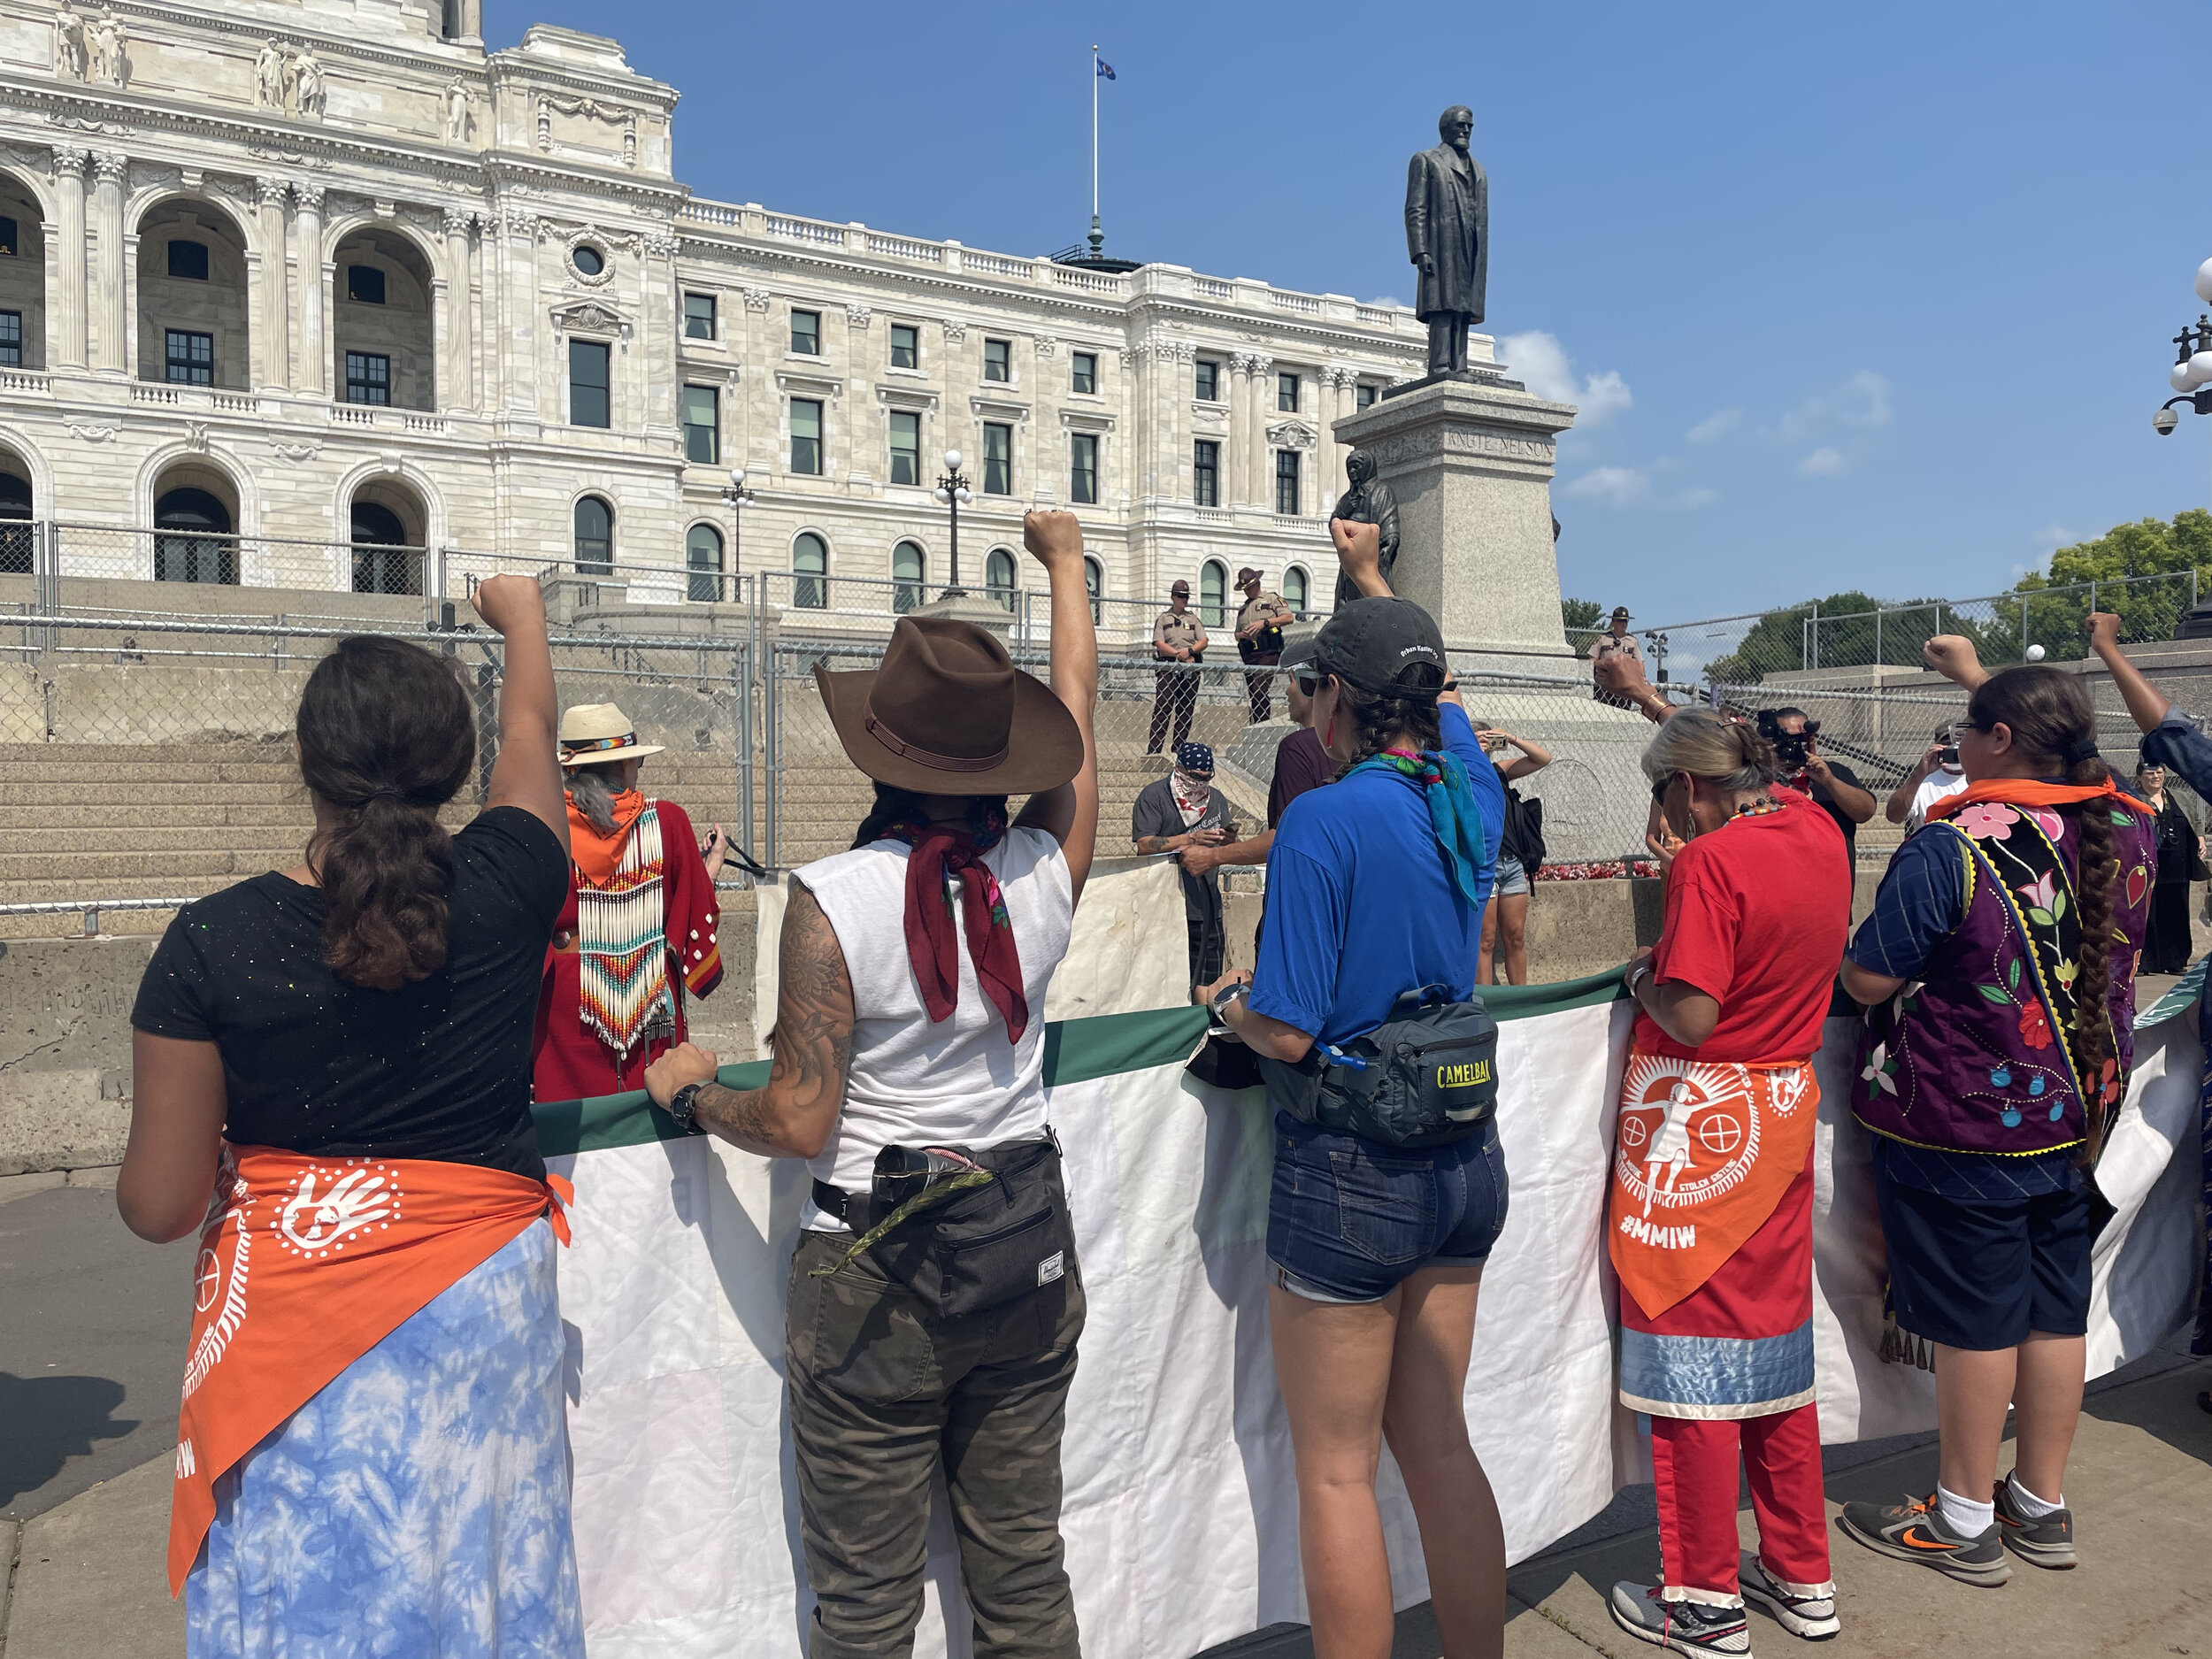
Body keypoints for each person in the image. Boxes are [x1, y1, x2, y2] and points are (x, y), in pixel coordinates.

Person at [641, 511, 1100, 1659]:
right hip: (1025, 1238)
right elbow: (1081, 724)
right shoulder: (1044, 872)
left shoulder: (832, 898)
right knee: (1025, 1573)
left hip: (877, 1271)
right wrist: (1066, 565)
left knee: (863, 1607)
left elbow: (801, 1113)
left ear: (880, 752)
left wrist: (697, 1093)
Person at [121, 577, 581, 1654]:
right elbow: (532, 733)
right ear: (452, 769)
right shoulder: (514, 879)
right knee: (485, 1565)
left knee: (316, 1584)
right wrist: (523, 622)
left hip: (296, 1313)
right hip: (485, 1298)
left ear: (309, 767)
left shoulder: (213, 940)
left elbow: (159, 1205)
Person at [1196, 595, 1510, 1659]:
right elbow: (1445, 700)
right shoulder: (1469, 791)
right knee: (1439, 1446)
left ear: (1332, 697)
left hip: (1352, 1169)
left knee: (1337, 1471)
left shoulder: (1327, 819)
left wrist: (1228, 1005)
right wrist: (1375, 581)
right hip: (1464, 1152)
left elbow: (1283, 1031)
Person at [1835, 626, 2154, 1589]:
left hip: (1965, 1122)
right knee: (2055, 1311)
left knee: (1977, 1321)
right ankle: (2038, 1503)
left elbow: (1866, 978)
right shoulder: (2133, 822)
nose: (1958, 746)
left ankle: (1965, 1516)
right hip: (2079, 1117)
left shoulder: (1953, 845)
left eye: (1965, 730)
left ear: (2000, 739)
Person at [1601, 712, 1851, 1654]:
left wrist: (1641, 980)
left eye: (1666, 793)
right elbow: (1757, 783)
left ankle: (1702, 1599)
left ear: (1687, 790)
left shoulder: (1710, 864)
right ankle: (1800, 1575)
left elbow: (1694, 1013)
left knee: (1693, 1358)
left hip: (1700, 1120)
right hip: (1783, 1111)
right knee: (1776, 1355)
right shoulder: (1816, 830)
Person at [530, 703, 726, 1100]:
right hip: (650, 994)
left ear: (571, 769)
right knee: (654, 1099)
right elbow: (691, 905)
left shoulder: (542, 829)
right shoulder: (667, 822)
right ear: (623, 766)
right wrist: (712, 865)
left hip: (571, 1001)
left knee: (570, 1121)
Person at [1133, 741, 1238, 991]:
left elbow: (1226, 844)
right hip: (1167, 906)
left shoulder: (1217, 800)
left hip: (1206, 906)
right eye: (1194, 776)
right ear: (1179, 768)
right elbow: (1144, 845)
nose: (1199, 783)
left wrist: (1229, 840)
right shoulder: (1155, 796)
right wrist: (1190, 839)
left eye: (1206, 777)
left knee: (1207, 981)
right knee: (1168, 983)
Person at [1474, 725, 1551, 986]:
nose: (1484, 742)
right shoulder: (1459, 771)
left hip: (1512, 864)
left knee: (1516, 936)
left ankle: (1521, 998)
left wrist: (1512, 738)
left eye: (1487, 738)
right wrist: (1469, 746)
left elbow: (1542, 758)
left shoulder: (1499, 771)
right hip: (1484, 865)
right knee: (1485, 940)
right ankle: (1486, 1003)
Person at [1764, 705, 1877, 869]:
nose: (1798, 745)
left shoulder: (1834, 772)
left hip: (1832, 875)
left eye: (1804, 738)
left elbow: (1866, 812)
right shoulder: (1762, 780)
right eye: (1789, 740)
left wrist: (1829, 781)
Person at [2133, 758, 2206, 974]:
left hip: (2178, 865)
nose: (2155, 777)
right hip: (2147, 866)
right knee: (2148, 914)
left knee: (2176, 912)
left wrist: (2200, 839)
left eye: (2159, 773)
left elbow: (2195, 821)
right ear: (2140, 777)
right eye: (2149, 774)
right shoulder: (2134, 798)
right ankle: (2145, 962)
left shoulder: (2180, 797)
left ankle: (2174, 960)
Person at [1147, 577, 1208, 755]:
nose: (1184, 599)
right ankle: (1154, 751)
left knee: (1185, 709)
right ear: (1173, 597)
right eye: (1180, 596)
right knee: (1163, 707)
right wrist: (1178, 655)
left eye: (1186, 596)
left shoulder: (1193, 619)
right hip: (1169, 667)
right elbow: (1159, 643)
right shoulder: (1163, 619)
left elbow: (1203, 641)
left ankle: (1178, 750)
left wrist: (1189, 651)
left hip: (1190, 668)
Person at [1234, 566, 1295, 723]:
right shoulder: (1243, 608)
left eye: (1249, 588)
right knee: (1253, 692)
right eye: (1245, 589)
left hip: (1268, 650)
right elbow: (1236, 634)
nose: (1247, 592)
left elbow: (1288, 617)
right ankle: (1257, 724)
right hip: (1249, 653)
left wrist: (1265, 623)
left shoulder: (1271, 599)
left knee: (1259, 689)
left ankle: (1261, 724)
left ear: (1257, 584)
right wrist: (1243, 634)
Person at [1886, 724, 1970, 832]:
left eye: (1959, 743)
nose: (1954, 749)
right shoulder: (1923, 782)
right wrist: (1919, 773)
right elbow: (1894, 816)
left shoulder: (1982, 776)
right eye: (1948, 745)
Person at [1590, 607, 1643, 708]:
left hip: (1625, 684)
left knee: (1624, 712)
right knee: (1604, 710)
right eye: (1619, 621)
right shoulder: (1603, 639)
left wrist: (1642, 678)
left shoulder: (1633, 641)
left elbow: (1639, 662)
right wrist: (1605, 664)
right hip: (1605, 683)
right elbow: (1592, 660)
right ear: (1613, 622)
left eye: (1625, 621)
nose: (1623, 624)